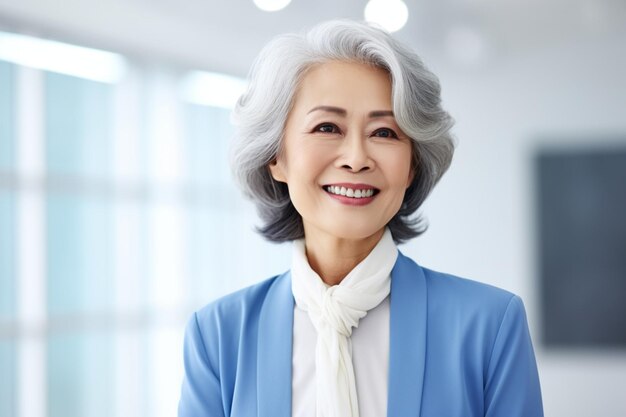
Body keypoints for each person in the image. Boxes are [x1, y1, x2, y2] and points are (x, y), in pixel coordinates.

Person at [178, 20, 543, 417]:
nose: (356, 158)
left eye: (384, 133)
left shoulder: (488, 326)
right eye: (327, 127)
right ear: (275, 157)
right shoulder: (217, 335)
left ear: (412, 167)